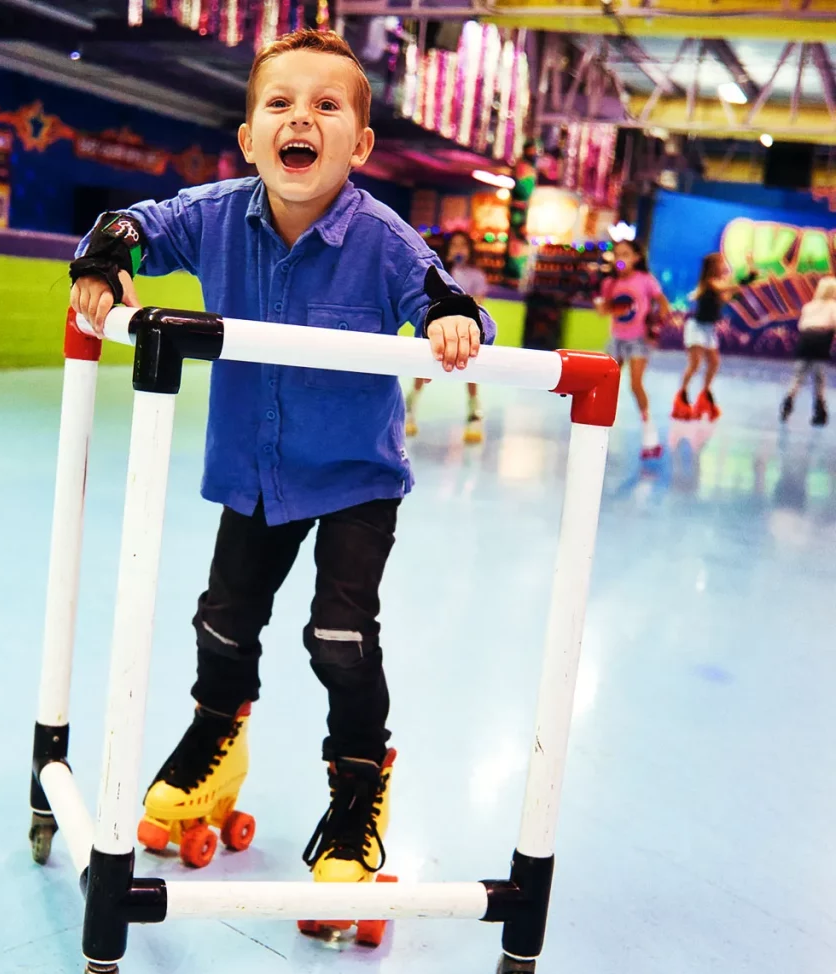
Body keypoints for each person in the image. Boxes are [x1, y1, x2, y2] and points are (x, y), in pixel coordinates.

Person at [69, 30, 495, 892]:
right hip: (254, 472)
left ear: (361, 145)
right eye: (280, 104)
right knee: (222, 621)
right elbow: (136, 225)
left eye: (327, 106)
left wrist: (452, 321)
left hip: (353, 482)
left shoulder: (384, 240)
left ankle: (358, 786)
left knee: (339, 639)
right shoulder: (218, 214)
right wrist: (106, 260)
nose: (301, 117)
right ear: (251, 135)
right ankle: (216, 737)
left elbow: (444, 296)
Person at [405, 230, 489, 443]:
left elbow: (478, 304)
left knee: (471, 371)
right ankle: (409, 409)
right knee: (422, 370)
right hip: (437, 329)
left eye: (463, 245)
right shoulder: (439, 272)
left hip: (466, 329)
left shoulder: (476, 275)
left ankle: (474, 413)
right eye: (455, 245)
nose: (459, 249)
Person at [595, 239, 670, 459]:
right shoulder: (610, 283)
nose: (621, 259)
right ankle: (598, 428)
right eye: (618, 255)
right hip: (617, 338)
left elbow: (663, 303)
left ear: (636, 258)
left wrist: (656, 323)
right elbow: (604, 310)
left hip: (638, 339)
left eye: (626, 254)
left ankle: (650, 434)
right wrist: (603, 302)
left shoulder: (645, 280)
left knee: (635, 384)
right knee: (605, 382)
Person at [672, 251, 757, 421]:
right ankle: (681, 396)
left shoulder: (718, 285)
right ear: (713, 266)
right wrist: (745, 278)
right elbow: (727, 287)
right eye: (721, 263)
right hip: (696, 328)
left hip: (708, 329)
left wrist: (750, 271)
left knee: (714, 362)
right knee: (695, 365)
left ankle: (705, 395)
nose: (724, 265)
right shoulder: (709, 283)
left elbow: (731, 294)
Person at [780, 275, 836, 426]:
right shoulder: (833, 306)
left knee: (798, 375)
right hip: (821, 341)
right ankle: (819, 412)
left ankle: (788, 402)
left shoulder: (809, 306)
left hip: (805, 340)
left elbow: (801, 325)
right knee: (819, 378)